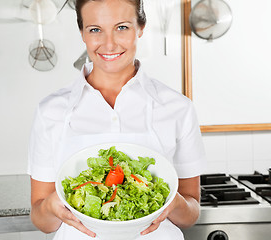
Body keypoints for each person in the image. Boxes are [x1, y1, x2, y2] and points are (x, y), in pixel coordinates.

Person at [27, 0, 206, 239]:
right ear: (82, 33)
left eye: (122, 27)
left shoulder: (178, 108)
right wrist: (49, 207)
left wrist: (173, 202)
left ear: (140, 27)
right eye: (95, 29)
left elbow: (191, 214)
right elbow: (42, 221)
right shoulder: (51, 110)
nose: (109, 44)